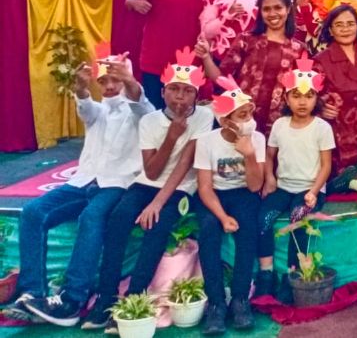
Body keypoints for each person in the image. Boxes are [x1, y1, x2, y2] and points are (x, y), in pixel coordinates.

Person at [9, 47, 153, 327]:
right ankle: (33, 293)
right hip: (84, 181)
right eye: (104, 81)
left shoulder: (139, 111)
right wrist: (81, 88)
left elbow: (142, 104)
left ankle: (72, 299)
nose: (109, 86)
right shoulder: (99, 110)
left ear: (127, 79)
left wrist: (130, 81)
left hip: (117, 184)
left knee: (91, 216)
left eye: (115, 80)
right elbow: (86, 107)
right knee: (33, 212)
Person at [81, 48, 215, 331]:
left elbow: (184, 165)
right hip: (146, 183)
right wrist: (171, 136)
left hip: (180, 187)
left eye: (188, 91)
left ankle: (134, 300)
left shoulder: (204, 116)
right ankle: (106, 298)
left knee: (158, 225)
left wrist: (157, 203)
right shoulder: (150, 120)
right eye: (174, 89)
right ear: (163, 92)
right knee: (118, 220)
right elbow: (152, 171)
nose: (180, 97)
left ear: (196, 95)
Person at [254, 61, 334, 302]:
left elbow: (326, 165)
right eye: (296, 96)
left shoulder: (322, 128)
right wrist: (269, 178)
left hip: (310, 189)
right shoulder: (280, 125)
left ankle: (293, 275)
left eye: (309, 96)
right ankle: (266, 274)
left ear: (316, 99)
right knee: (263, 218)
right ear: (286, 98)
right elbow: (270, 155)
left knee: (298, 218)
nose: (302, 102)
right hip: (283, 187)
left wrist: (314, 191)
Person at [194, 77, 265, 333]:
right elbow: (204, 187)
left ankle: (240, 299)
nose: (249, 121)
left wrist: (249, 154)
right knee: (209, 230)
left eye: (250, 114)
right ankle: (216, 303)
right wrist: (223, 217)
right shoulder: (207, 141)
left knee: (248, 231)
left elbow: (255, 186)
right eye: (242, 116)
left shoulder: (257, 139)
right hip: (214, 195)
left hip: (244, 193)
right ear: (225, 121)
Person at [196, 0, 307, 135]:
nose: (272, 13)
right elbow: (221, 78)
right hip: (241, 118)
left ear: (287, 9)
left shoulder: (299, 49)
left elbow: (302, 91)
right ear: (260, 12)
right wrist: (206, 57)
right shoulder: (246, 40)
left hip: (279, 125)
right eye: (266, 9)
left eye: (278, 8)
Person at [126, 0, 215, 108]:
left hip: (191, 64)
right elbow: (129, 1)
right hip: (156, 61)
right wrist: (134, 3)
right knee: (155, 114)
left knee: (185, 117)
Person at [313, 5, 357, 191]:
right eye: (339, 25)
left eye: (350, 24)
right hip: (339, 123)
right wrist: (320, 107)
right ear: (330, 30)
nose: (345, 29)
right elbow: (310, 94)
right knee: (342, 179)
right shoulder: (320, 60)